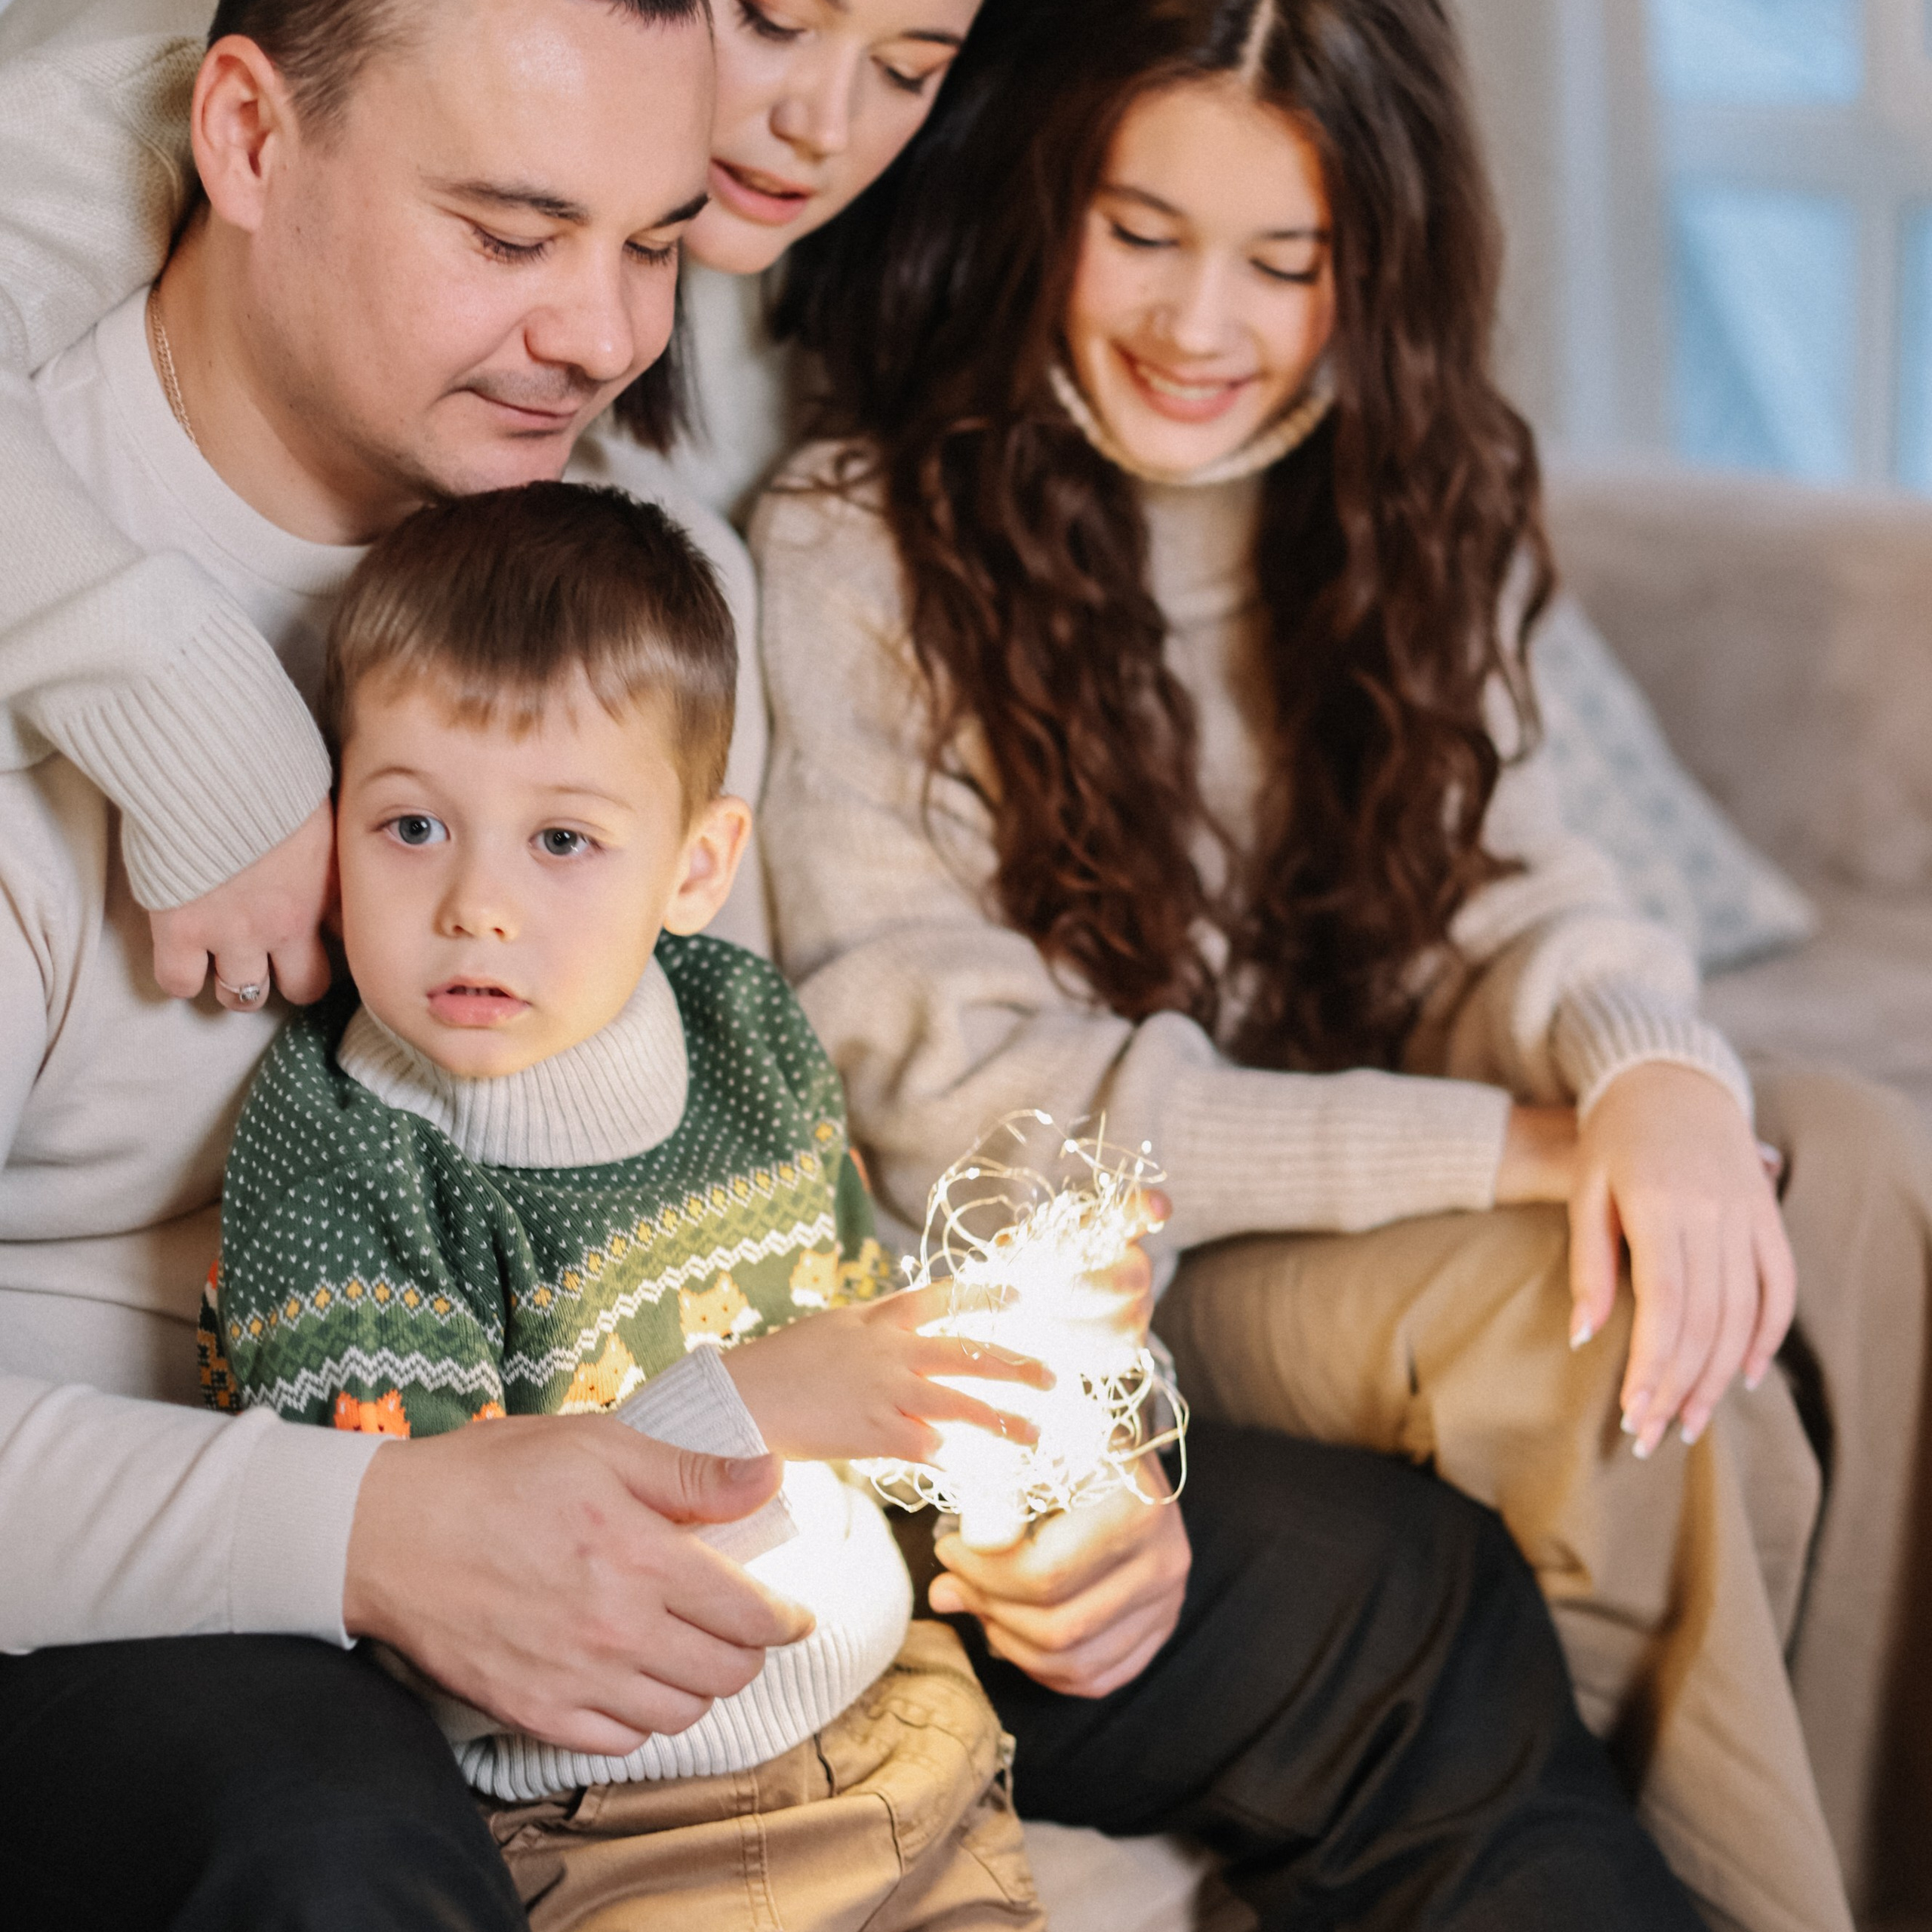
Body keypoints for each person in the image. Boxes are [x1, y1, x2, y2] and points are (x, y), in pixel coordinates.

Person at [0, 2, 1709, 1928]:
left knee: (1389, 1590)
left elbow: (748, 1136)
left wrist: (1050, 1449)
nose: (604, 338)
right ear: (242, 138)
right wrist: (364, 1531)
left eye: (649, 244)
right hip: (189, 1539)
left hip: (666, 1427)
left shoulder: (648, 581)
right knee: (322, 1844)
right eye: (507, 233)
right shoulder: (49, 620)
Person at [752, 2, 1932, 1928]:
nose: (1198, 324)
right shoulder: (856, 542)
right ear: (1037, 191)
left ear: (1365, 270)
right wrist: (1531, 1148)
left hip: (1361, 1174)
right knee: (1590, 1299)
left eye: (1282, 261)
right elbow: (967, 1086)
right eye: (1140, 233)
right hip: (1141, 1277)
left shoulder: (1397, 489)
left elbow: (1514, 875)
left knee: (1853, 1158)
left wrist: (1648, 1078)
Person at [206, 476, 1060, 1927]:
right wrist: (749, 1401)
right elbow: (415, 1561)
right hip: (601, 1819)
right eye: (412, 828)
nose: (478, 904)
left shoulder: (740, 1027)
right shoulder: (340, 1147)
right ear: (332, 823)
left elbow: (865, 1348)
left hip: (896, 1745)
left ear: (698, 866)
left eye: (561, 842)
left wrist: (1056, 1460)